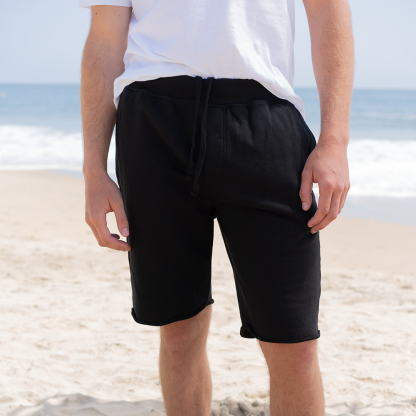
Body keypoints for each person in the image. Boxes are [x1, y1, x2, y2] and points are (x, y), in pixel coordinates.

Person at [79, 0, 353, 414]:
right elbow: (104, 41)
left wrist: (334, 140)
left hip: (265, 120)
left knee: (294, 342)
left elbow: (328, 12)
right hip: (153, 127)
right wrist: (93, 170)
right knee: (177, 330)